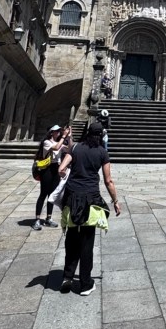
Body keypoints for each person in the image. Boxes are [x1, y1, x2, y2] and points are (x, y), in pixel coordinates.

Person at [58, 121, 120, 295]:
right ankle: (85, 284)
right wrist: (115, 201)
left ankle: (67, 277)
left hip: (71, 198)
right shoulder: (102, 152)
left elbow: (61, 168)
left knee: (71, 240)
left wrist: (67, 174)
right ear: (101, 135)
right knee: (86, 243)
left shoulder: (76, 148)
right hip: (90, 200)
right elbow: (108, 180)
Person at [32, 124, 68, 231]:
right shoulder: (47, 142)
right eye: (56, 131)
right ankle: (37, 219)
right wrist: (63, 137)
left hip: (56, 169)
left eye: (59, 131)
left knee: (51, 195)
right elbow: (56, 147)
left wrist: (69, 137)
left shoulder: (59, 142)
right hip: (47, 169)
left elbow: (69, 148)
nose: (58, 133)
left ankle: (49, 218)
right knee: (43, 194)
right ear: (52, 132)